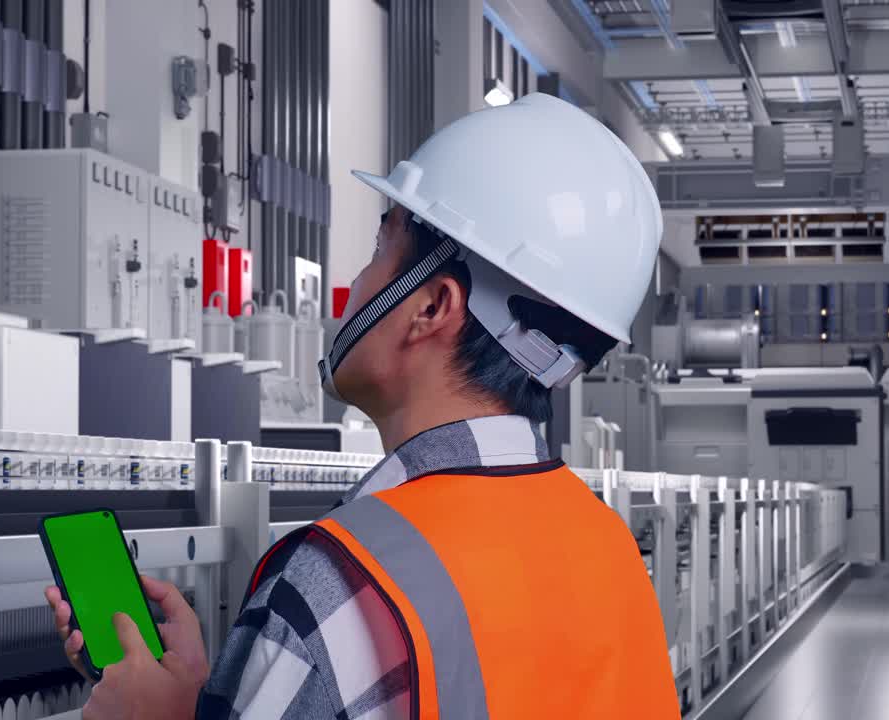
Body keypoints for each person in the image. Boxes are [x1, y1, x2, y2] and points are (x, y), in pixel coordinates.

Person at [46, 92, 681, 719]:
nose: (357, 283)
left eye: (381, 250)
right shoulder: (609, 546)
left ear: (431, 306)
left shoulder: (337, 585)